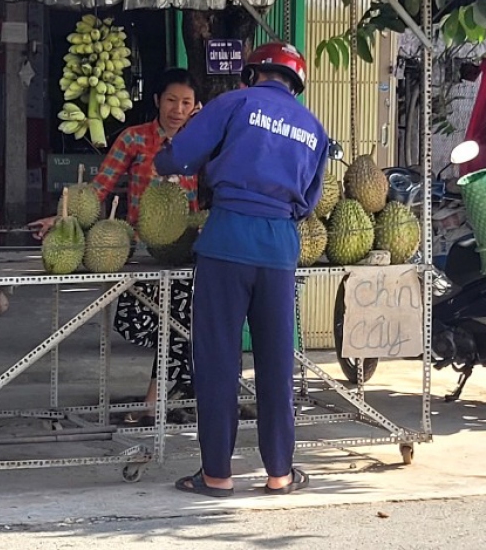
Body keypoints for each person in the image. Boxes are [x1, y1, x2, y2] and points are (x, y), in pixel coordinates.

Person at [154, 42, 327, 497]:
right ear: (296, 84)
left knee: (217, 362)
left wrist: (167, 158)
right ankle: (280, 474)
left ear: (252, 73)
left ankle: (216, 475)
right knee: (276, 363)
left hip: (227, 240)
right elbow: (308, 201)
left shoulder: (235, 103)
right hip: (279, 250)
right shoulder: (314, 127)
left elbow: (179, 157)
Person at [31, 68, 201, 422]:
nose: (178, 109)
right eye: (171, 100)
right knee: (135, 322)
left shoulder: (202, 142)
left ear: (195, 106)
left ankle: (155, 399)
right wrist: (63, 218)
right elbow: (99, 189)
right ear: (157, 101)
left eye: (186, 103)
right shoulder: (134, 139)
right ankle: (182, 386)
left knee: (181, 321)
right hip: (140, 250)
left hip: (186, 251)